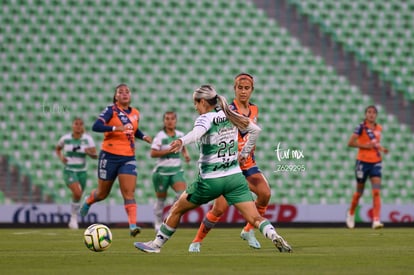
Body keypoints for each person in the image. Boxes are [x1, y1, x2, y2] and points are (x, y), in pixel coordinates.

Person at [134, 84, 292, 253]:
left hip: (210, 180)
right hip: (235, 178)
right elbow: (255, 130)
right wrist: (244, 153)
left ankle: (156, 245)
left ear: (202, 101)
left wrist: (181, 141)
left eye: (196, 103)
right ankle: (273, 235)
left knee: (177, 209)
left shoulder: (205, 118)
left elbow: (196, 134)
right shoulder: (230, 114)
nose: (195, 107)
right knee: (255, 217)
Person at [188, 73, 271, 252]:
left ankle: (248, 231)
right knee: (218, 209)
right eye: (239, 88)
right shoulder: (228, 111)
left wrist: (246, 151)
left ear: (252, 90)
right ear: (234, 89)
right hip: (228, 166)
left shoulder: (254, 109)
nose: (243, 91)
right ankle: (196, 241)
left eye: (246, 88)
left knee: (264, 193)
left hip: (247, 164)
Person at [80, 84, 152, 237]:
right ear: (116, 96)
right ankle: (88, 201)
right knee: (102, 194)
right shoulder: (110, 110)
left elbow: (134, 129)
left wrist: (143, 136)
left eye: (127, 91)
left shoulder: (135, 113)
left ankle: (133, 226)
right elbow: (96, 126)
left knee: (129, 193)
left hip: (128, 157)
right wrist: (114, 128)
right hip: (109, 155)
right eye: (121, 92)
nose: (125, 94)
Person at [346, 105, 389, 229]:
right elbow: (350, 143)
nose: (371, 114)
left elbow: (375, 144)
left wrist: (382, 149)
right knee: (359, 192)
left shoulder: (379, 128)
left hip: (376, 162)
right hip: (362, 162)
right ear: (366, 114)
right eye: (369, 112)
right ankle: (351, 213)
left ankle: (376, 220)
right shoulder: (360, 127)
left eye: (374, 112)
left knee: (376, 191)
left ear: (376, 115)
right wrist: (365, 146)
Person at [150, 111, 190, 232]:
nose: (170, 121)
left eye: (172, 119)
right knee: (161, 199)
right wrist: (168, 150)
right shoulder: (160, 136)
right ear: (164, 121)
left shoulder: (180, 134)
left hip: (176, 170)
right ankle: (157, 223)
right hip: (161, 172)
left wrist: (186, 155)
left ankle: (169, 216)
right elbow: (153, 153)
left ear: (176, 121)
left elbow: (183, 147)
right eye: (167, 119)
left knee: (182, 194)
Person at [55, 117, 98, 229]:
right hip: (69, 170)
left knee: (78, 196)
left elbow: (95, 155)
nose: (78, 126)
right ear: (72, 126)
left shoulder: (88, 139)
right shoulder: (65, 138)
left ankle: (73, 217)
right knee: (78, 193)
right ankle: (73, 218)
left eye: (81, 124)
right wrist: (61, 157)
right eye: (76, 124)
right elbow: (58, 148)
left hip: (82, 172)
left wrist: (89, 152)